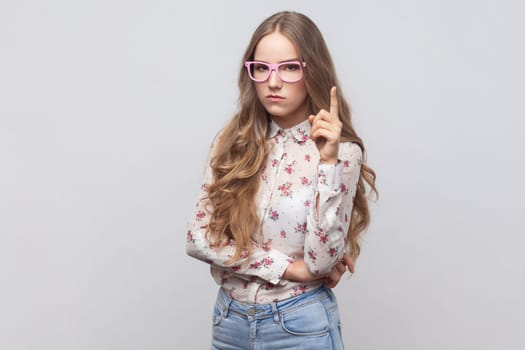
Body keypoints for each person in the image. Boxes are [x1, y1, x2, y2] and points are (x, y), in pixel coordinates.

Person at [186, 11, 377, 350]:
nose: (273, 82)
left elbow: (320, 262)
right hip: (229, 322)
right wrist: (289, 268)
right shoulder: (231, 143)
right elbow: (198, 239)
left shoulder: (342, 154)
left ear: (312, 70)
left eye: (289, 68)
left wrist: (329, 163)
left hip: (300, 325)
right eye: (262, 68)